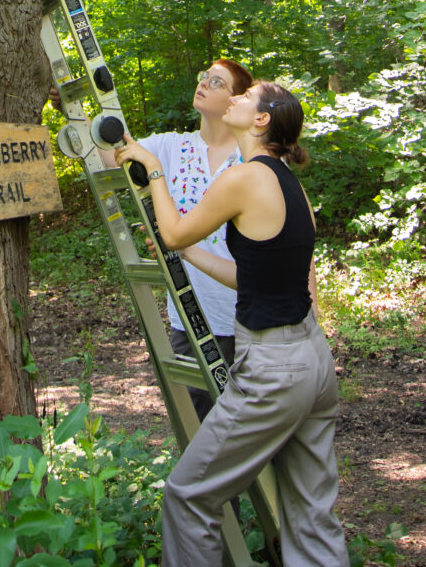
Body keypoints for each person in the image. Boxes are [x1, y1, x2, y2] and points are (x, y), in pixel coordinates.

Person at [116, 81, 345, 567]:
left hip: (273, 370)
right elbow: (253, 278)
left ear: (261, 120)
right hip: (314, 362)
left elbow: (173, 227)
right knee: (311, 514)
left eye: (246, 98)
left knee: (188, 496)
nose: (235, 99)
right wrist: (190, 253)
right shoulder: (287, 182)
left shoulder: (245, 178)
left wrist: (153, 170)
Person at [139, 58, 255, 412]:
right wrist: (73, 112)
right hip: (190, 318)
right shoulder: (170, 148)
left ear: (235, 101)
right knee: (202, 435)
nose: (203, 84)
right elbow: (106, 151)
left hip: (248, 322)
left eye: (217, 82)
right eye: (204, 77)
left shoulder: (253, 158)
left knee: (254, 440)